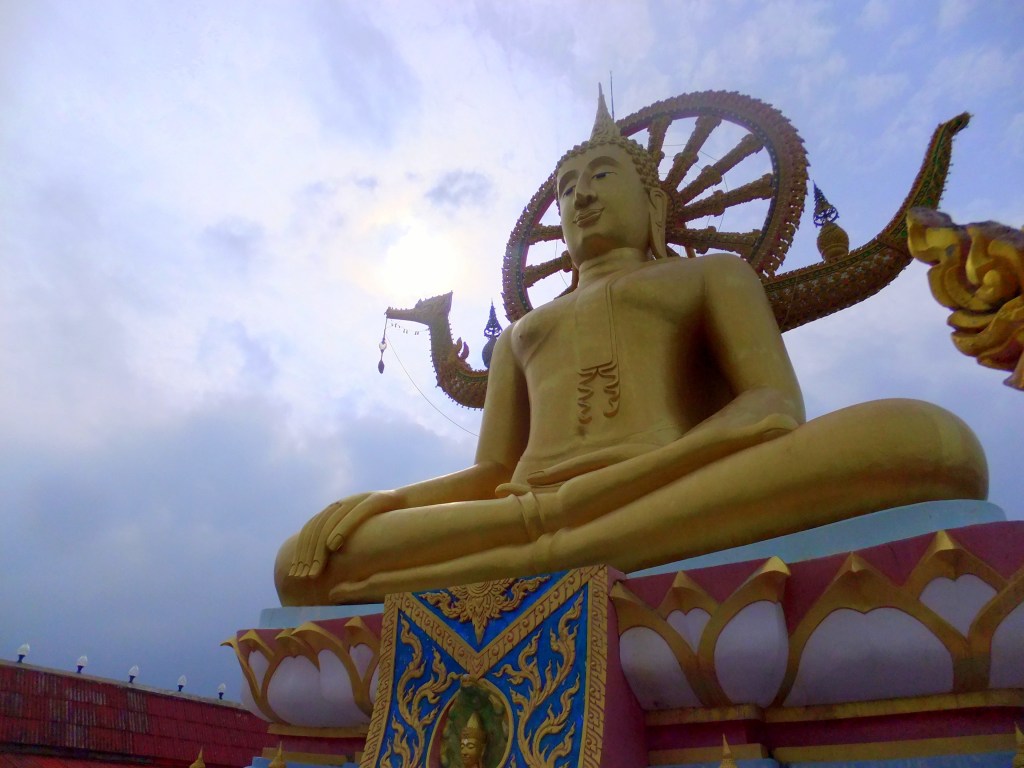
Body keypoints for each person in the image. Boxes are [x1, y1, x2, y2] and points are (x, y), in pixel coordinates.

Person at [275, 92, 987, 606]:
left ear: (656, 206)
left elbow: (772, 409)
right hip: (535, 510)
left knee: (925, 441)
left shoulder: (711, 275)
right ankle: (558, 552)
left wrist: (608, 489)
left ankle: (533, 560)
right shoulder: (523, 333)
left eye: (601, 177)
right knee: (303, 564)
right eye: (566, 189)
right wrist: (384, 502)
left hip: (663, 489)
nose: (580, 197)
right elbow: (491, 471)